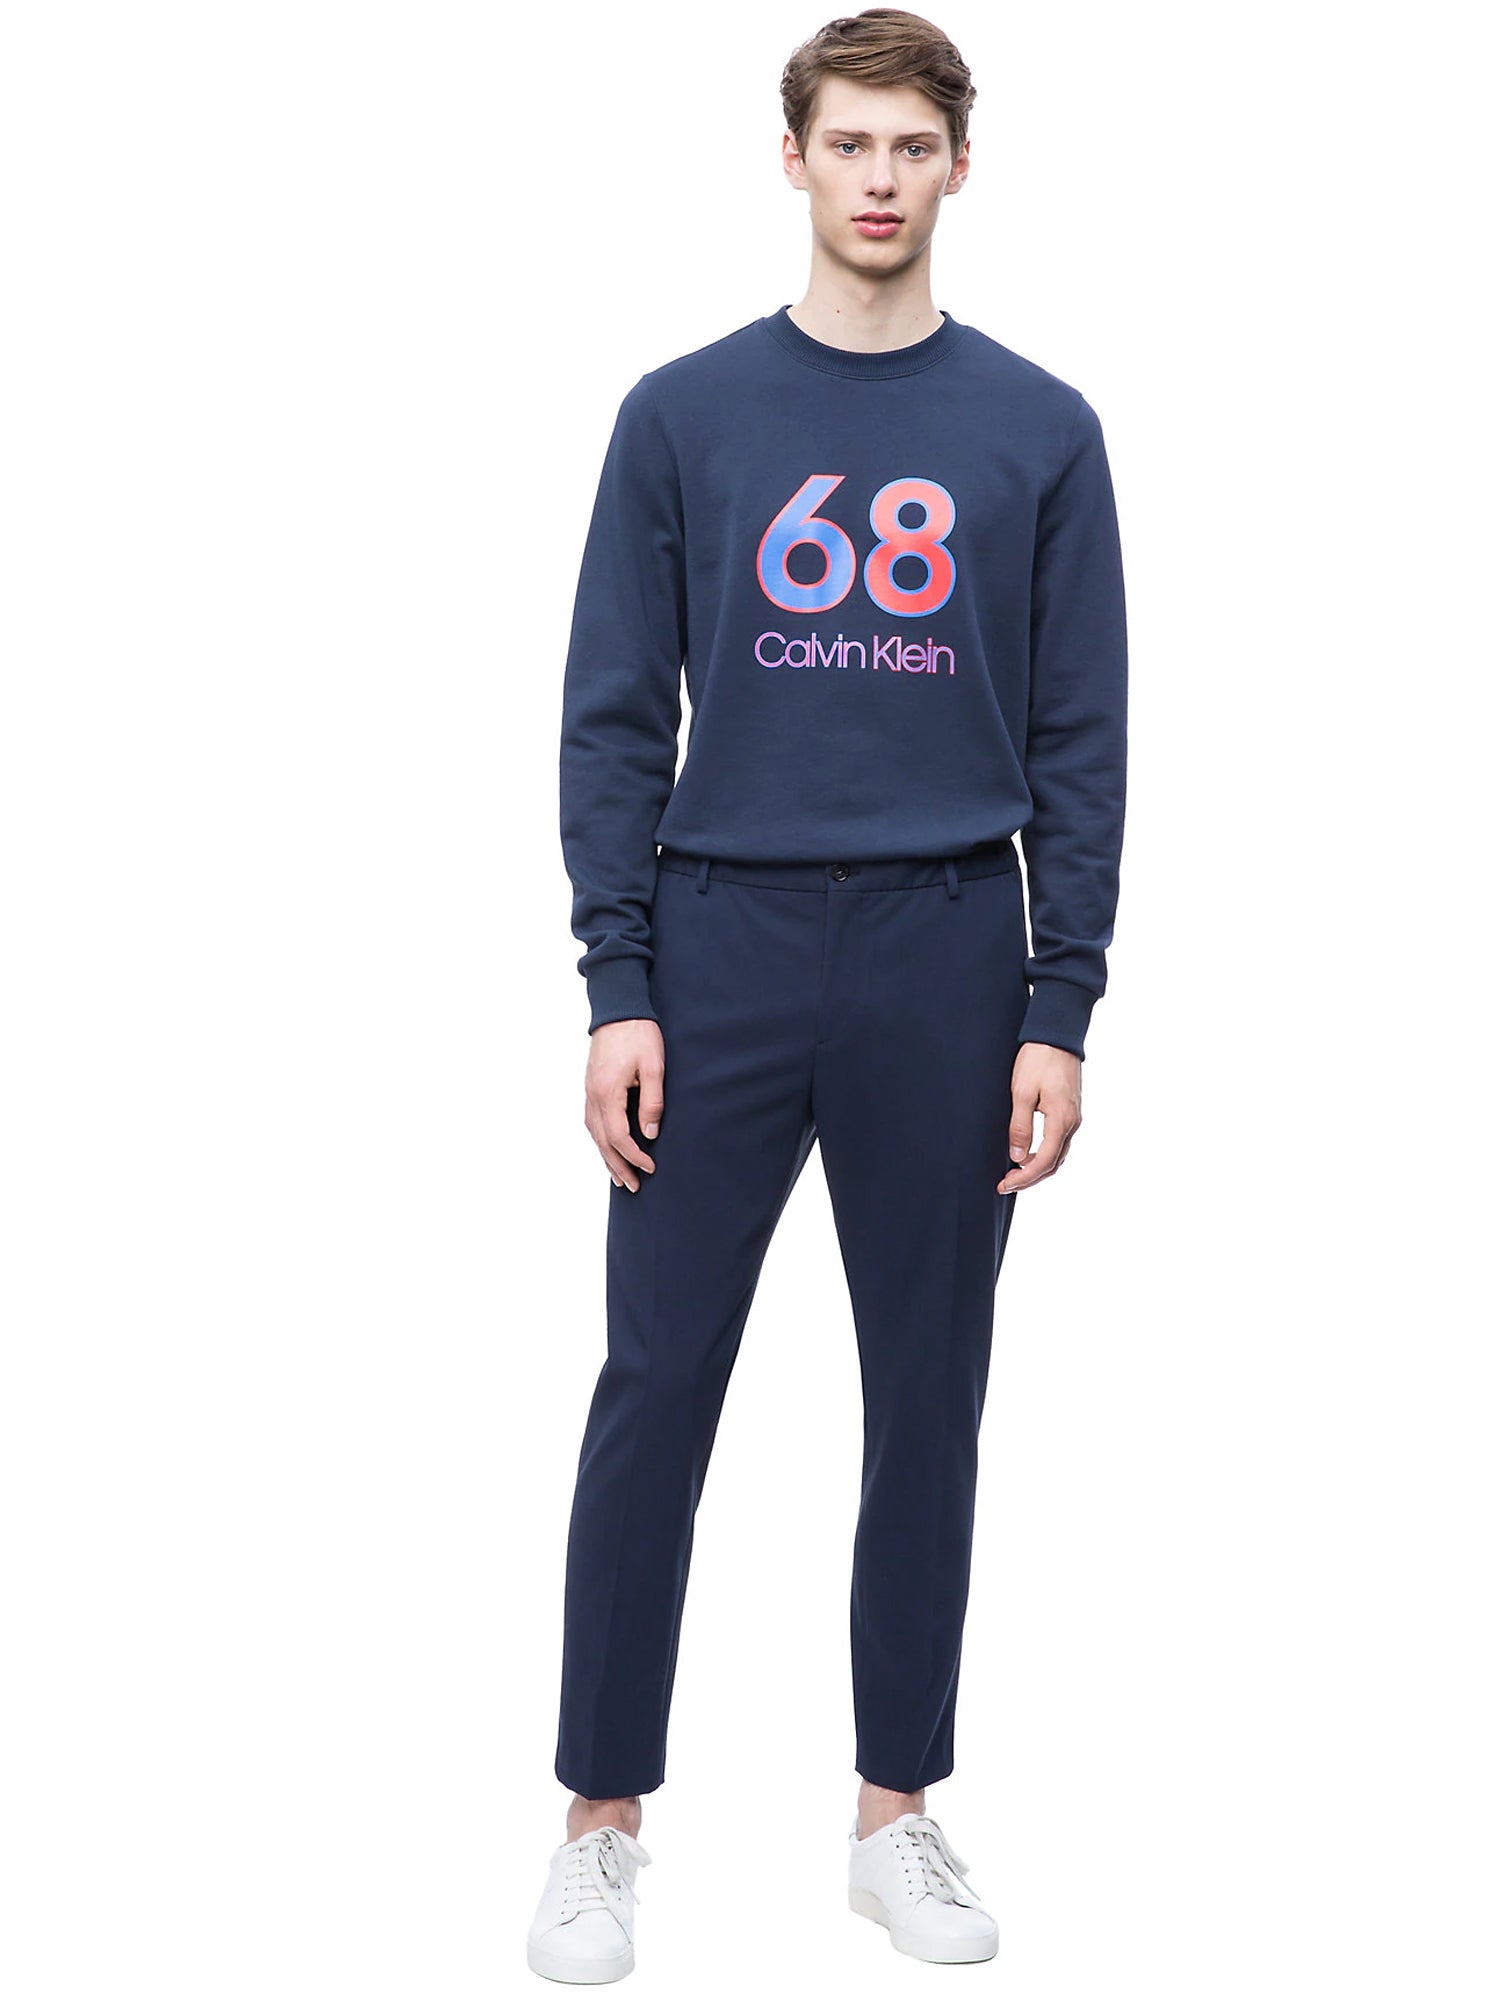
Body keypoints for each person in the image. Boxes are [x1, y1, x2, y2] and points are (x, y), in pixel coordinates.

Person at [527, 8, 1129, 1982]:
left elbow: (1083, 738)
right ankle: (600, 1821)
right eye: (848, 143)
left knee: (929, 1393)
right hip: (722, 943)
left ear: (961, 166)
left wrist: (1059, 1005)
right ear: (789, 159)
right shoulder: (681, 415)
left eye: (912, 146)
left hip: (952, 944)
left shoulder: (1041, 429)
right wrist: (620, 979)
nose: (880, 179)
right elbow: (615, 715)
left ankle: (894, 1814)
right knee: (655, 1386)